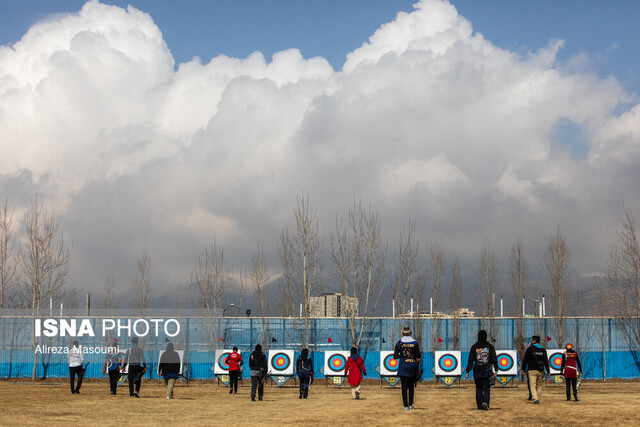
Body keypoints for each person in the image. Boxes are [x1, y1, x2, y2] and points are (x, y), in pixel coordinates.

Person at [464, 330, 499, 410]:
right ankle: (486, 403)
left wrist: (467, 371)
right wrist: (496, 370)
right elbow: (494, 358)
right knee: (486, 388)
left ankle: (480, 406)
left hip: (477, 370)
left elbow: (470, 360)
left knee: (478, 388)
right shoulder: (490, 347)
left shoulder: (474, 347)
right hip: (487, 371)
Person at [394, 325, 422, 411]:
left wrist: (402, 356)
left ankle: (405, 405)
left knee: (404, 387)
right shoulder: (415, 343)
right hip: (412, 366)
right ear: (410, 333)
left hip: (403, 366)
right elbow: (418, 355)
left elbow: (395, 356)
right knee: (411, 387)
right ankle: (411, 404)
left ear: (402, 333)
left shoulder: (399, 343)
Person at [521, 335, 549, 405]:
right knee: (539, 385)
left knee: (532, 385)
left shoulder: (530, 349)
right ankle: (538, 398)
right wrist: (548, 371)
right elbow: (546, 361)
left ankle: (536, 399)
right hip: (541, 370)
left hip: (532, 370)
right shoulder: (543, 349)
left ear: (534, 341)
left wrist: (523, 369)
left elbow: (525, 360)